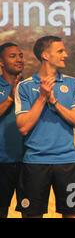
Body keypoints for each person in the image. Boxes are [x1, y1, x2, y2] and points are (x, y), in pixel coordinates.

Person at [15, 36, 75, 218]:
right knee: (31, 214)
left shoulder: (72, 83)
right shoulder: (24, 86)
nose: (66, 54)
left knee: (73, 213)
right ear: (45, 55)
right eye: (60, 51)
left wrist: (54, 102)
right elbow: (23, 128)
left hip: (68, 163)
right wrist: (42, 98)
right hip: (35, 163)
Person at [0, 43, 24, 218]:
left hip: (28, 162)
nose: (19, 59)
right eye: (13, 56)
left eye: (20, 55)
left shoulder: (29, 87)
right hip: (2, 163)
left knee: (30, 211)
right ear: (1, 62)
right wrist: (10, 97)